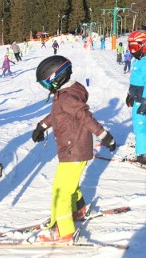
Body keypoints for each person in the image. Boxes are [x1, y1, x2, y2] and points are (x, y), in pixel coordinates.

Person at [31, 55, 116, 243]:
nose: (45, 88)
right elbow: (57, 113)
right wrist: (42, 126)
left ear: (56, 78)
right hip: (75, 149)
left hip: (73, 150)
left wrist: (104, 135)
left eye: (46, 83)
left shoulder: (67, 97)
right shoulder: (68, 92)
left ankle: (63, 231)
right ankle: (78, 211)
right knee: (71, 185)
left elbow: (85, 117)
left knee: (60, 191)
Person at [125, 30, 146, 168]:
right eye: (130, 47)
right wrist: (130, 94)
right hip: (138, 94)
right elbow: (136, 79)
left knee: (138, 125)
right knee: (143, 120)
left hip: (144, 95)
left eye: (135, 47)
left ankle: (143, 155)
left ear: (144, 45)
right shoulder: (140, 59)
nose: (132, 50)